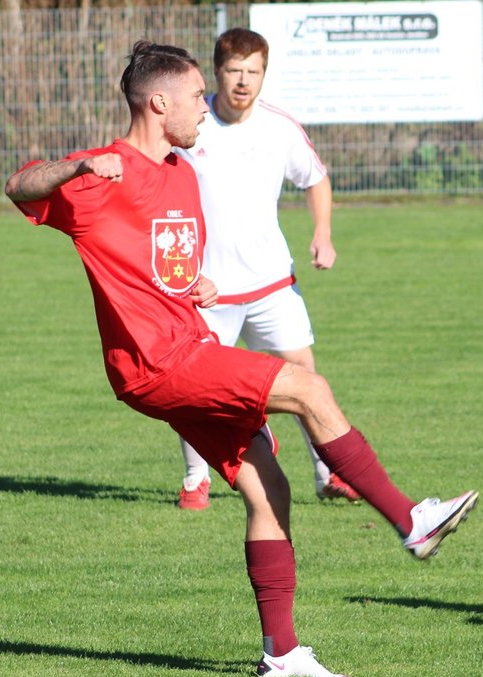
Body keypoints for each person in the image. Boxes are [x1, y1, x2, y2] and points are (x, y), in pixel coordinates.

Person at [4, 40, 479, 677]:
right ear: (158, 101)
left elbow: (162, 262)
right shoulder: (99, 173)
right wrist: (73, 167)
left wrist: (193, 285)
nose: (207, 105)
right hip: (158, 362)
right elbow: (18, 186)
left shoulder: (180, 172)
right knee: (309, 389)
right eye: (197, 95)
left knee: (268, 486)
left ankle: (281, 655)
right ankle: (411, 521)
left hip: (187, 345)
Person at [172, 28, 358, 510]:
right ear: (217, 72)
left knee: (305, 378)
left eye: (253, 71)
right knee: (196, 391)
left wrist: (323, 233)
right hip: (206, 290)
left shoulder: (279, 127)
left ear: (263, 75)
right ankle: (196, 480)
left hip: (272, 283)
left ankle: (328, 473)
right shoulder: (190, 125)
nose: (243, 81)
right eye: (234, 70)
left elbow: (315, 178)